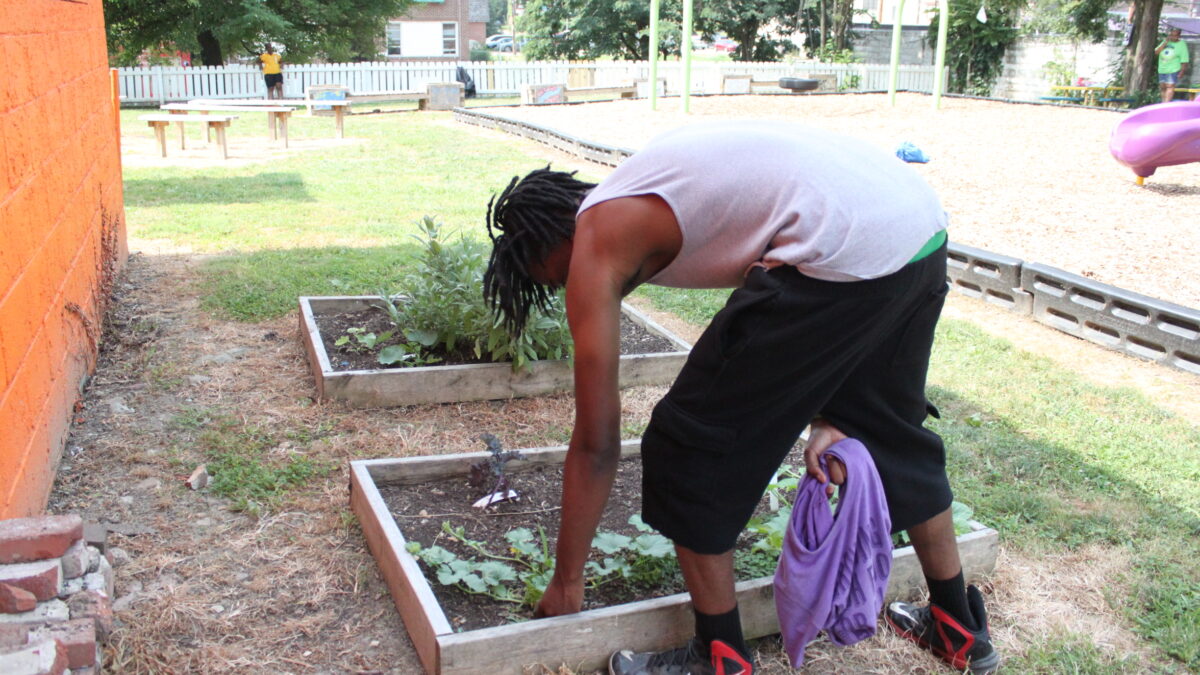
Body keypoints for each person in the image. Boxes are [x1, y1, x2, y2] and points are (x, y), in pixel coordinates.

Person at [482, 121, 999, 675]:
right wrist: (829, 410)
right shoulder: (648, 182)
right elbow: (807, 311)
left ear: (553, 241)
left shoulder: (596, 236)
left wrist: (566, 582)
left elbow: (597, 445)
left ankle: (720, 656)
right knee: (888, 429)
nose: (569, 292)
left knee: (686, 448)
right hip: (916, 228)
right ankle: (957, 627)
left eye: (555, 280)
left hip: (842, 242)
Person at [1156, 28, 1189, 103]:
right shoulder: (1165, 42)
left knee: (1170, 86)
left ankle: (1166, 104)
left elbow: (1185, 59)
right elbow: (1156, 52)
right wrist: (1165, 43)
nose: (1173, 37)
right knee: (1162, 86)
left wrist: (1182, 71)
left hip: (1173, 69)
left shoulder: (1182, 44)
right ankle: (1164, 102)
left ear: (1178, 36)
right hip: (1162, 68)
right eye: (1172, 35)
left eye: (1175, 35)